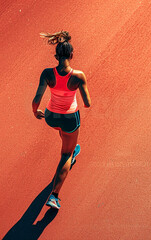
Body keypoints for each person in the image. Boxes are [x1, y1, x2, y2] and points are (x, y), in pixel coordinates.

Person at [32, 31, 91, 210]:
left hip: (51, 117)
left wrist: (36, 112)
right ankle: (54, 195)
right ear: (72, 55)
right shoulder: (78, 76)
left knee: (63, 132)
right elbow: (87, 103)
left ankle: (70, 148)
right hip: (69, 119)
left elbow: (36, 99)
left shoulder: (46, 73)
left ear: (56, 56)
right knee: (66, 154)